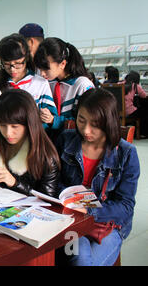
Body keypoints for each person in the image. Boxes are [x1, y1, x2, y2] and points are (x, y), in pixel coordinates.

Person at [56, 88, 140, 266]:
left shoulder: (126, 153)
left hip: (108, 226)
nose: (86, 130)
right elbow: (54, 182)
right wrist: (67, 198)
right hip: (73, 224)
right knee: (80, 258)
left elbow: (125, 206)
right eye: (81, 120)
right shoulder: (66, 140)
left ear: (108, 122)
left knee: (82, 262)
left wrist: (89, 209)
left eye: (95, 124)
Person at [0, 89, 59, 197]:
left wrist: (15, 183)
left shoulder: (45, 156)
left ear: (29, 124)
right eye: (3, 125)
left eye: (15, 126)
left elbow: (48, 200)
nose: (8, 133)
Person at [0, 34, 57, 129]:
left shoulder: (40, 83)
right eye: (7, 64)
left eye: (18, 63)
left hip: (33, 138)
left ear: (27, 58)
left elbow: (50, 120)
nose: (13, 69)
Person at [34, 37, 94, 134]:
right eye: (40, 69)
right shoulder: (48, 83)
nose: (42, 74)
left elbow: (87, 121)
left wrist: (54, 120)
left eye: (46, 69)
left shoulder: (82, 85)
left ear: (62, 64)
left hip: (73, 141)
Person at [123, 71, 148, 137]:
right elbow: (144, 96)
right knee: (144, 111)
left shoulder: (119, 84)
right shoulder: (135, 86)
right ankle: (143, 133)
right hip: (130, 112)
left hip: (118, 112)